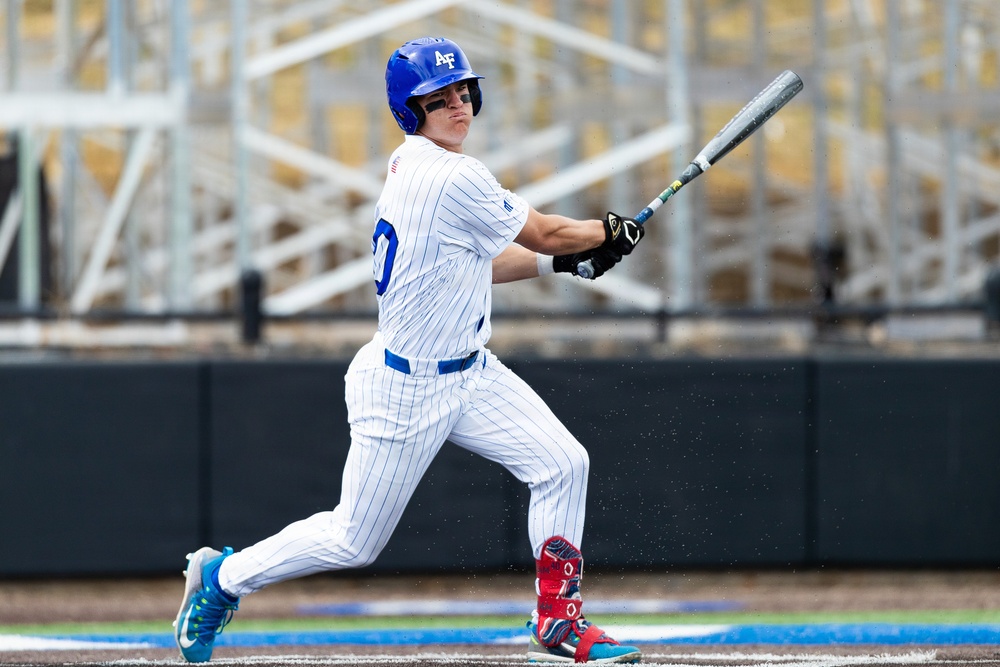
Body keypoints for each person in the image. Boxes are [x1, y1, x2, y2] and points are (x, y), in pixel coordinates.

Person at [173, 36, 645, 665]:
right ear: (410, 109)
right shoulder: (451, 175)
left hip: (471, 372)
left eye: (462, 92)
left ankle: (558, 623)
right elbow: (547, 231)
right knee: (353, 540)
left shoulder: (415, 164)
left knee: (563, 463)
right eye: (438, 98)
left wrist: (565, 262)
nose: (457, 105)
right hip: (407, 385)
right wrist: (604, 232)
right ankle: (222, 578)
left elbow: (478, 261)